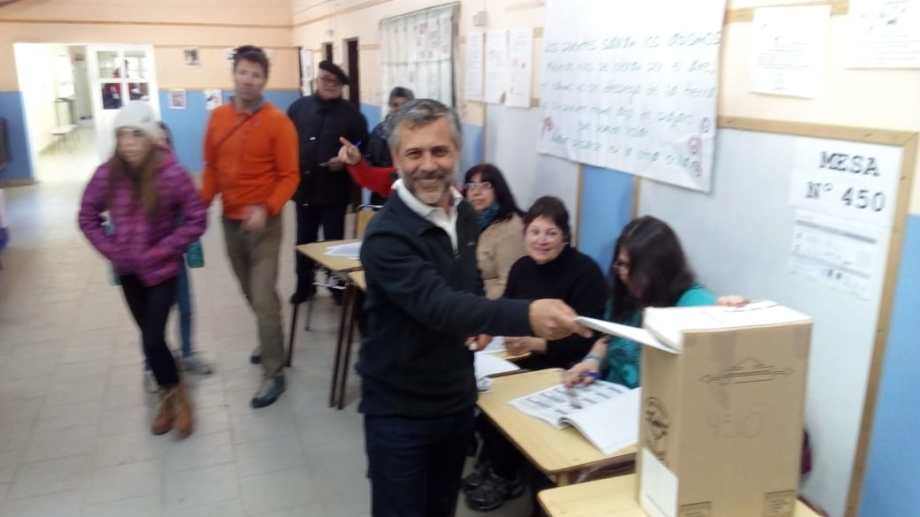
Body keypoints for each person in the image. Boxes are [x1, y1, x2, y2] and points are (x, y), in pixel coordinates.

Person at [357, 98, 590, 517]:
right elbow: (438, 305)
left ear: (457, 152)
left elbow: (468, 280)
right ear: (395, 158)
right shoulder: (386, 236)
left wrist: (480, 317)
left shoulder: (463, 212)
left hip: (456, 397)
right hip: (400, 409)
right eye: (414, 153)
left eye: (439, 151)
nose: (428, 165)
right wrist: (526, 315)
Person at [464, 196, 607, 512]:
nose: (541, 240)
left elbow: (589, 340)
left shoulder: (585, 272)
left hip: (564, 367)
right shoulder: (521, 267)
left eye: (551, 233)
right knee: (486, 396)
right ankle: (496, 464)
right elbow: (505, 311)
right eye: (535, 232)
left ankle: (505, 475)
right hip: (519, 358)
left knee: (505, 405)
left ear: (565, 236)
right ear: (525, 233)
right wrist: (489, 331)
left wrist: (535, 343)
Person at [78, 100, 206, 437]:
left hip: (162, 272)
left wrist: (164, 250)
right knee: (153, 340)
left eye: (135, 134)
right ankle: (171, 395)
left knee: (151, 337)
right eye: (122, 135)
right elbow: (87, 216)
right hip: (128, 273)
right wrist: (111, 250)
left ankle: (179, 399)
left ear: (150, 136)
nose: (128, 143)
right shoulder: (108, 174)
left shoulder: (172, 173)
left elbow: (197, 219)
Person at [200, 45, 300, 409]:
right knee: (251, 291)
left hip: (265, 224)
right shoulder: (217, 118)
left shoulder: (278, 123)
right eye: (243, 72)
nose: (248, 80)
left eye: (256, 75)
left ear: (264, 81)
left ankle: (274, 373)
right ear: (234, 74)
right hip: (230, 222)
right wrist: (199, 207)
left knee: (262, 294)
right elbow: (211, 169)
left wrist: (267, 207)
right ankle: (270, 335)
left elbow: (290, 176)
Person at [563, 215, 717, 390]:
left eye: (636, 268)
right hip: (611, 394)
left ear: (662, 268)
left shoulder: (695, 304)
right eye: (621, 264)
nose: (626, 275)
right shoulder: (625, 294)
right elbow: (610, 339)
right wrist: (593, 360)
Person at [287, 60, 368, 304]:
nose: (329, 85)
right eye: (325, 79)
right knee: (304, 240)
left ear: (342, 86)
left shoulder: (353, 116)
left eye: (335, 82)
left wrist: (345, 161)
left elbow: (361, 147)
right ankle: (304, 286)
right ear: (317, 79)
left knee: (334, 243)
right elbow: (285, 141)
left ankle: (336, 288)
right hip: (304, 189)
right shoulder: (298, 108)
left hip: (335, 191)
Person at [463, 164, 526, 300]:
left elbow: (508, 285)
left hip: (487, 304)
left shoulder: (510, 227)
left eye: (485, 186)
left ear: (498, 189)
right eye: (471, 186)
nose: (476, 192)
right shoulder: (465, 220)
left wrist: (473, 304)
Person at [364, 86, 414, 204]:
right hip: (382, 195)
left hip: (412, 193)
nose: (399, 109)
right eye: (395, 105)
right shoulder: (379, 132)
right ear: (390, 107)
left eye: (404, 105)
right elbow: (368, 162)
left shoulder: (419, 132)